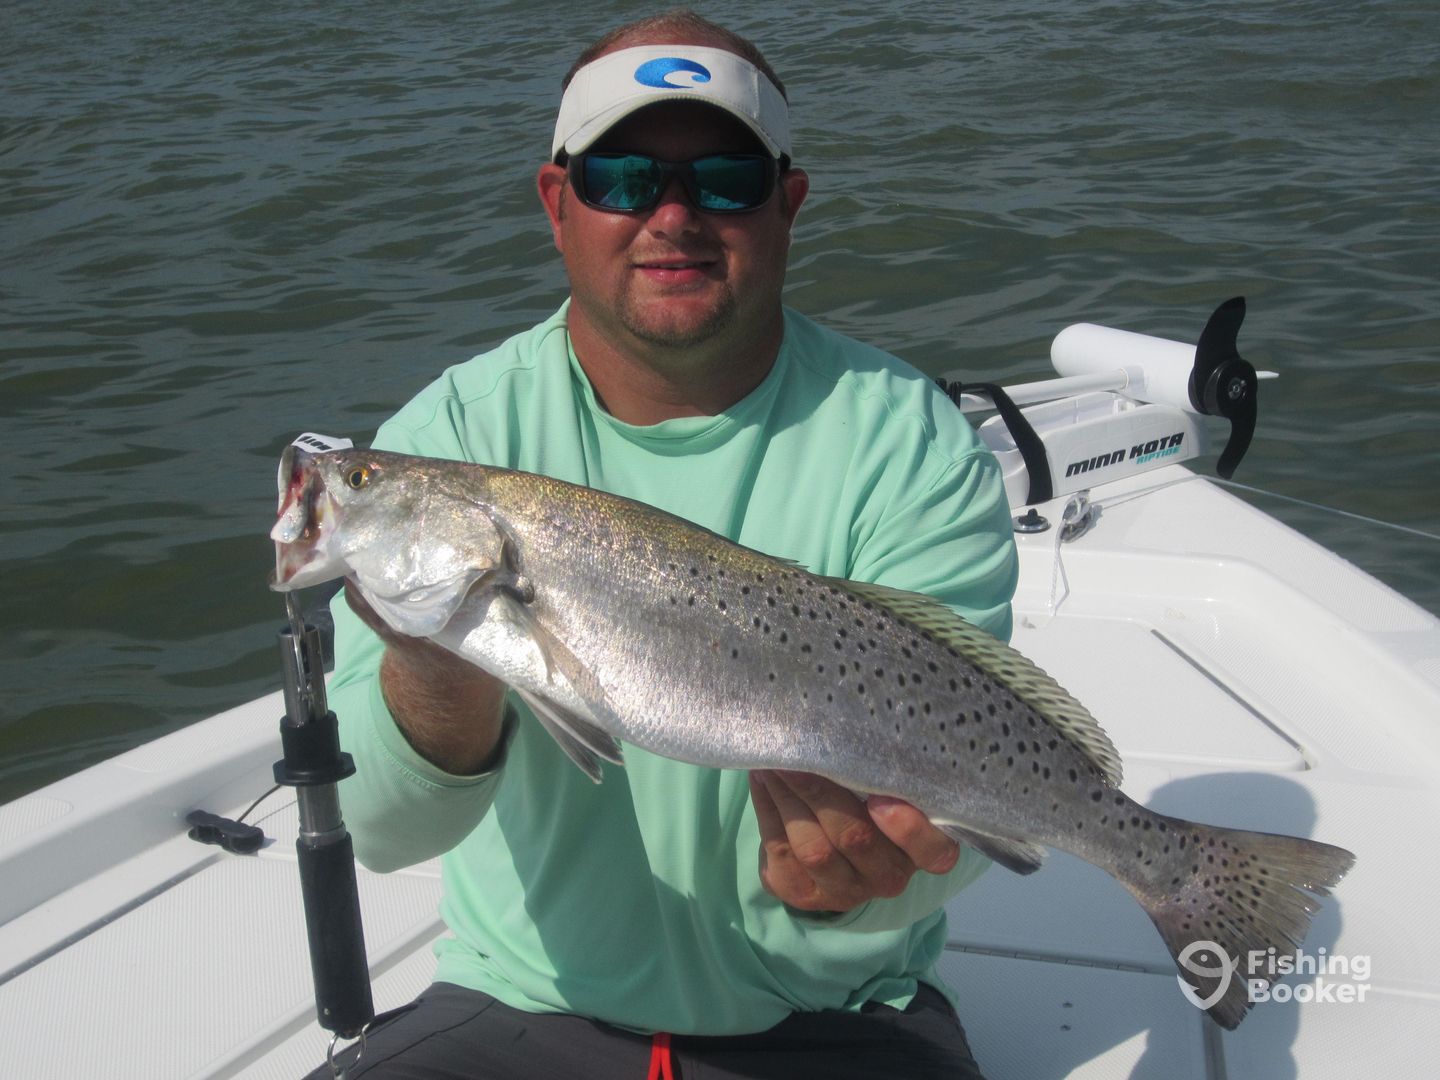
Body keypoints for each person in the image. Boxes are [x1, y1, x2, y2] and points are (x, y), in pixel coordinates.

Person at [317, 10, 1017, 1078]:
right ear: (558, 202)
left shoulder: (909, 444)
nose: (674, 215)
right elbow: (382, 833)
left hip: (841, 1012)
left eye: (725, 181)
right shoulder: (450, 439)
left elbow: (966, 816)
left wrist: (852, 893)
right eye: (625, 177)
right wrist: (435, 665)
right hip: (519, 1006)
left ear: (788, 204)